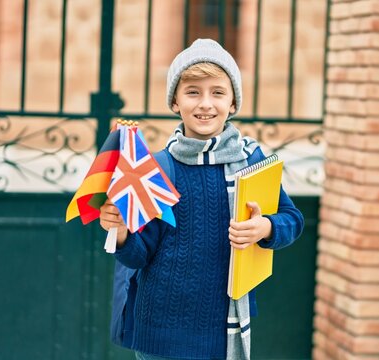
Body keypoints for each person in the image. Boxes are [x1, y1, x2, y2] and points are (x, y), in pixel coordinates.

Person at [99, 38, 304, 360]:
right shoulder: (156, 168)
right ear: (175, 103)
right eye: (193, 92)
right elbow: (138, 256)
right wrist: (121, 231)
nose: (205, 103)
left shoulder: (252, 160)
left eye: (217, 92)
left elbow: (293, 220)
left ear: (233, 103)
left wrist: (265, 227)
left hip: (223, 329)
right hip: (160, 335)